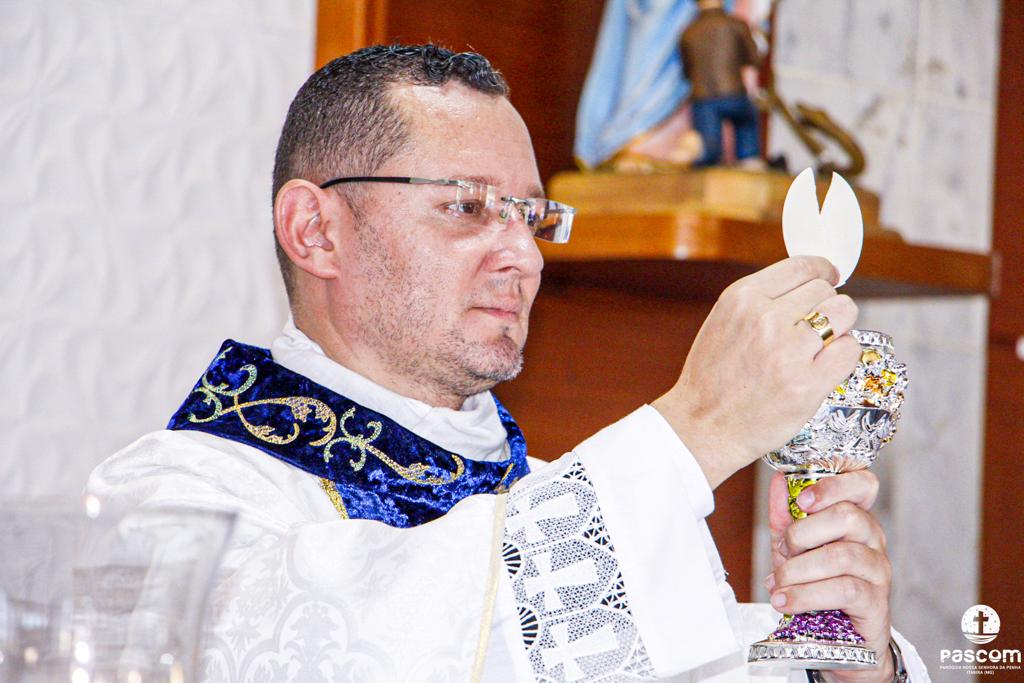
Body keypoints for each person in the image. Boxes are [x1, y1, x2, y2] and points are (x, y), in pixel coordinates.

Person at [87, 45, 928, 682]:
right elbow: (334, 644)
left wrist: (842, 665)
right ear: (316, 231)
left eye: (531, 216)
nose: (524, 255)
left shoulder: (562, 502)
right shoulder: (170, 508)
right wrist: (700, 425)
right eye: (467, 206)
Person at [680, 0, 762, 167]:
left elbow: (686, 72)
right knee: (746, 124)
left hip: (703, 97)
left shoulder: (688, 32)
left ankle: (698, 152)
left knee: (709, 150)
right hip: (734, 93)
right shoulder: (737, 25)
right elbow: (754, 58)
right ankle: (749, 159)